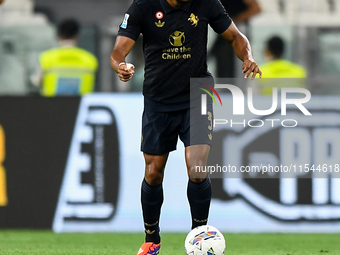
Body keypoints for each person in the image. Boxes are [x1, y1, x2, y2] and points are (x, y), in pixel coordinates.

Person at [110, 0, 261, 254]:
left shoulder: (206, 3)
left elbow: (235, 36)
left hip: (198, 93)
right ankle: (152, 239)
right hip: (159, 98)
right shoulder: (143, 6)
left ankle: (199, 236)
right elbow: (118, 51)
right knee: (153, 171)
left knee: (197, 168)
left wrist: (248, 56)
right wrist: (121, 66)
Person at [31, 19, 98, 96]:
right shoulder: (90, 59)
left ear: (58, 34)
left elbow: (36, 82)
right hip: (80, 106)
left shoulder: (46, 58)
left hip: (51, 105)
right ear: (77, 35)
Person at [210, 0, 261, 78]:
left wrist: (235, 20)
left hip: (237, 31)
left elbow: (256, 8)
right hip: (224, 34)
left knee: (238, 71)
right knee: (223, 67)